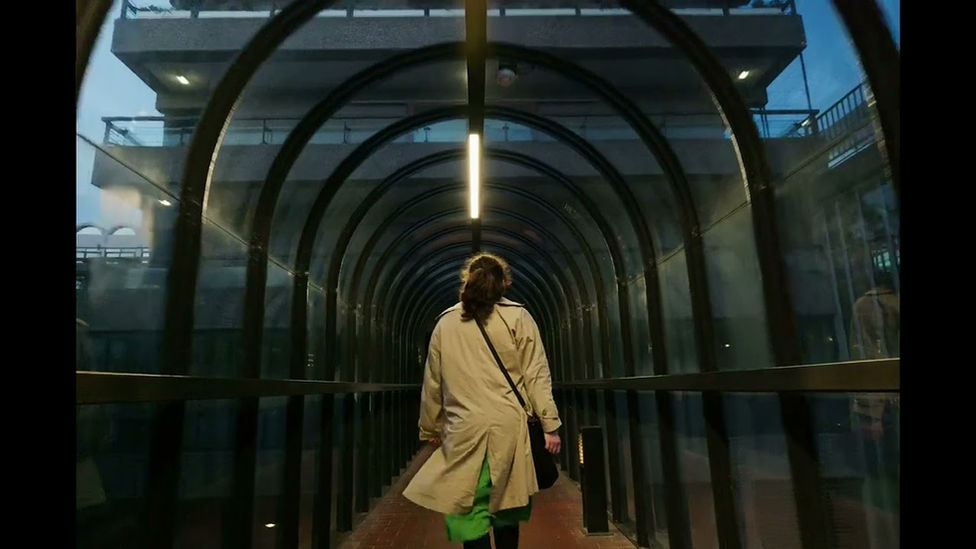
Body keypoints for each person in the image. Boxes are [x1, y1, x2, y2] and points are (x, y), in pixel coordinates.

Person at [403, 253, 562, 549]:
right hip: (508, 430)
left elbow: (433, 382)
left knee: (468, 509)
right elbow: (536, 376)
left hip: (463, 431)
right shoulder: (519, 318)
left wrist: (431, 427)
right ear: (504, 283)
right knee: (506, 508)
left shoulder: (445, 324)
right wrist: (550, 425)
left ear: (467, 280)